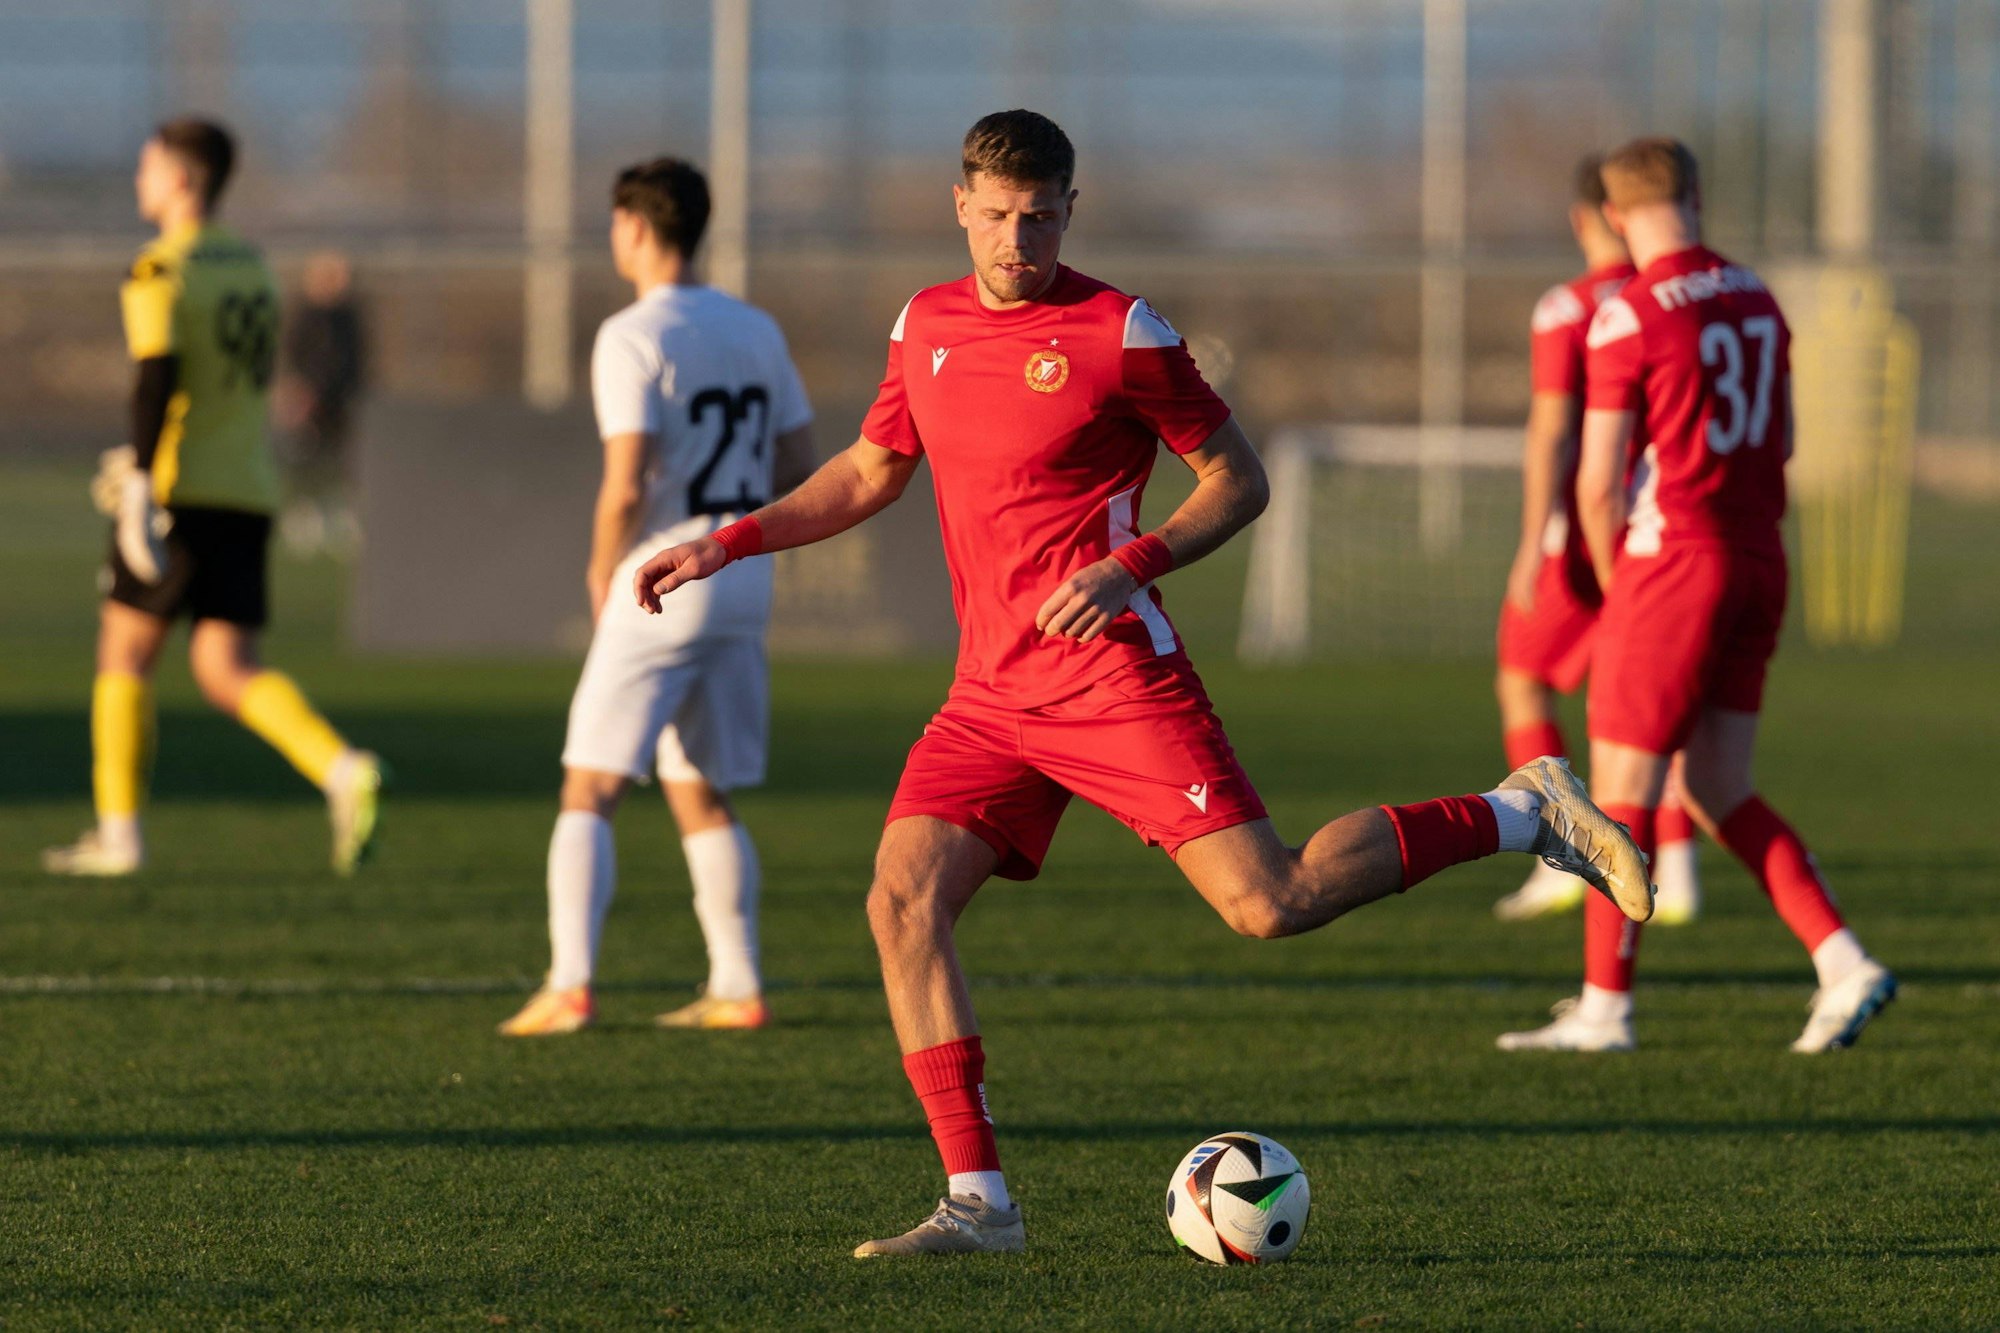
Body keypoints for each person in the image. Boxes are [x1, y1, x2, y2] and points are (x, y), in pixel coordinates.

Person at [631, 110, 1653, 1257]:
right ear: (959, 204)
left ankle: (1524, 810)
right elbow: (872, 468)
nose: (1018, 238)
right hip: (988, 695)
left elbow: (1237, 479)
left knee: (1270, 902)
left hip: (1112, 677)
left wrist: (1130, 565)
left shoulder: (1120, 330)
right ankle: (979, 1204)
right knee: (900, 901)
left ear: (1072, 208)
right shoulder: (922, 324)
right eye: (999, 214)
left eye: (1041, 215)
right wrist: (730, 540)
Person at [1499, 138, 1896, 1055]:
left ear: (1609, 213)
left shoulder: (1626, 314)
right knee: (1718, 784)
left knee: (1623, 788)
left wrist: (1613, 581)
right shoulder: (1758, 294)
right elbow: (1785, 437)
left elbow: (1597, 481)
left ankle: (1605, 1008)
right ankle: (1842, 960)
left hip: (1674, 562)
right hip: (1760, 553)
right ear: (1698, 195)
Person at [498, 157, 815, 1038]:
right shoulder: (754, 328)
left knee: (589, 786)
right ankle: (738, 983)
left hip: (664, 573)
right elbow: (796, 463)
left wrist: (603, 568)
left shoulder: (631, 332)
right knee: (698, 786)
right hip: (743, 566)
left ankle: (569, 984)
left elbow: (626, 479)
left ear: (634, 227)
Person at [44, 118, 382, 879]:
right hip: (248, 486)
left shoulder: (163, 268)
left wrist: (138, 479)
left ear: (184, 180)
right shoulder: (254, 267)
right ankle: (341, 768)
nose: (140, 180)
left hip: (178, 492)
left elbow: (156, 377)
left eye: (149, 167)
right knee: (226, 664)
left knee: (123, 651)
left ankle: (119, 833)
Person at [1493, 155, 1704, 926]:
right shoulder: (1677, 297)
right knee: (1656, 701)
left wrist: (1530, 539)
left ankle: (1562, 849)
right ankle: (1675, 864)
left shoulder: (1570, 307)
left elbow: (1554, 428)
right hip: (1664, 526)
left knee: (1522, 676)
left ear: (1589, 219)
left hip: (1582, 531)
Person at [276, 250, 367, 554]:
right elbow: (294, 356)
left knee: (346, 460)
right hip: (310, 400)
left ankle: (342, 515)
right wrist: (300, 391)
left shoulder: (349, 317)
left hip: (342, 400)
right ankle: (305, 513)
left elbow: (357, 359)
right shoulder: (305, 316)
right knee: (304, 459)